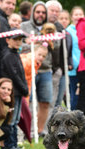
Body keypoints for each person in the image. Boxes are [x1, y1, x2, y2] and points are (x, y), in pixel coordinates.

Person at [21, 1, 53, 135]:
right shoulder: (24, 26)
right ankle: (29, 130)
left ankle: (40, 131)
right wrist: (31, 43)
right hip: (29, 69)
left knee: (45, 102)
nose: (40, 15)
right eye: (38, 12)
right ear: (33, 12)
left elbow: (55, 47)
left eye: (43, 12)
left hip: (46, 70)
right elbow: (20, 45)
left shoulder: (50, 27)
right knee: (29, 102)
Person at [1, 31, 28, 149]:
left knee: (16, 119)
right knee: (11, 119)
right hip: (13, 91)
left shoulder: (15, 53)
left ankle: (14, 144)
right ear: (8, 40)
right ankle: (10, 144)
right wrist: (24, 88)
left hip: (18, 91)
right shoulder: (8, 55)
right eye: (15, 39)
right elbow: (14, 75)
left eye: (20, 40)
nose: (18, 42)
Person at [66, 6, 84, 110]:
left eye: (80, 14)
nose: (78, 17)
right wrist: (74, 64)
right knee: (75, 93)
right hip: (74, 68)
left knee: (84, 94)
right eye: (76, 14)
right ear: (72, 16)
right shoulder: (68, 30)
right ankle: (72, 116)